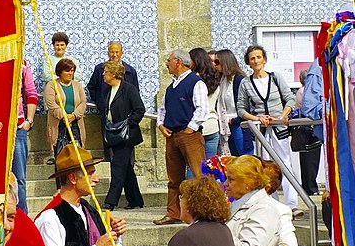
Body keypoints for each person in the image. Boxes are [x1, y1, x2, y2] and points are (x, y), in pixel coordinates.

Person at [155, 49, 209, 224]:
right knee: (174, 178)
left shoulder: (195, 82)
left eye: (169, 60)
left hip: (189, 136)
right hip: (172, 135)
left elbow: (202, 108)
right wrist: (161, 125)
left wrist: (190, 128)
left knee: (199, 174)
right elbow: (162, 109)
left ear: (178, 62)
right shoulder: (171, 87)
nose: (167, 64)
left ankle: (206, 211)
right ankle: (173, 212)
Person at [99, 59, 146, 210]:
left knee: (118, 167)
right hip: (113, 134)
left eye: (105, 72)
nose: (103, 75)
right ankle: (135, 199)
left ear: (113, 74)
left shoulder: (129, 89)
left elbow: (140, 110)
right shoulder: (107, 90)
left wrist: (127, 124)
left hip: (126, 136)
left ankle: (110, 201)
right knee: (125, 168)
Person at [43, 57, 86, 166]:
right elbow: (51, 104)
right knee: (61, 158)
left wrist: (74, 115)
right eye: (67, 70)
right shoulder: (52, 85)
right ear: (60, 71)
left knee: (77, 156)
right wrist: (64, 116)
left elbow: (82, 102)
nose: (70, 73)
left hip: (75, 124)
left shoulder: (77, 85)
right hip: (59, 125)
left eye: (72, 71)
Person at [292, 57, 324, 195]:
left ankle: (308, 187)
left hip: (304, 128)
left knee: (306, 161)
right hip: (309, 128)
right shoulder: (304, 92)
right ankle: (311, 187)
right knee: (312, 160)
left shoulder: (300, 91)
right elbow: (309, 108)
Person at [86, 39, 140, 115]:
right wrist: (100, 101)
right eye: (112, 52)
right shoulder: (100, 69)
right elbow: (92, 87)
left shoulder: (130, 71)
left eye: (117, 52)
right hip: (106, 113)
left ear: (121, 53)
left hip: (125, 113)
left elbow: (135, 90)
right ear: (108, 53)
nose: (114, 55)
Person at [212, 48, 247, 157]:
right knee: (233, 158)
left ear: (225, 62)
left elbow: (244, 103)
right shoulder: (222, 79)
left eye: (217, 62)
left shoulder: (238, 79)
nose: (214, 65)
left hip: (237, 123)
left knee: (243, 156)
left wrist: (236, 120)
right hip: (226, 124)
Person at [12, 63, 38, 207]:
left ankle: (21, 215)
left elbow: (31, 93)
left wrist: (29, 120)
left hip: (18, 126)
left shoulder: (23, 64)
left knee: (19, 176)